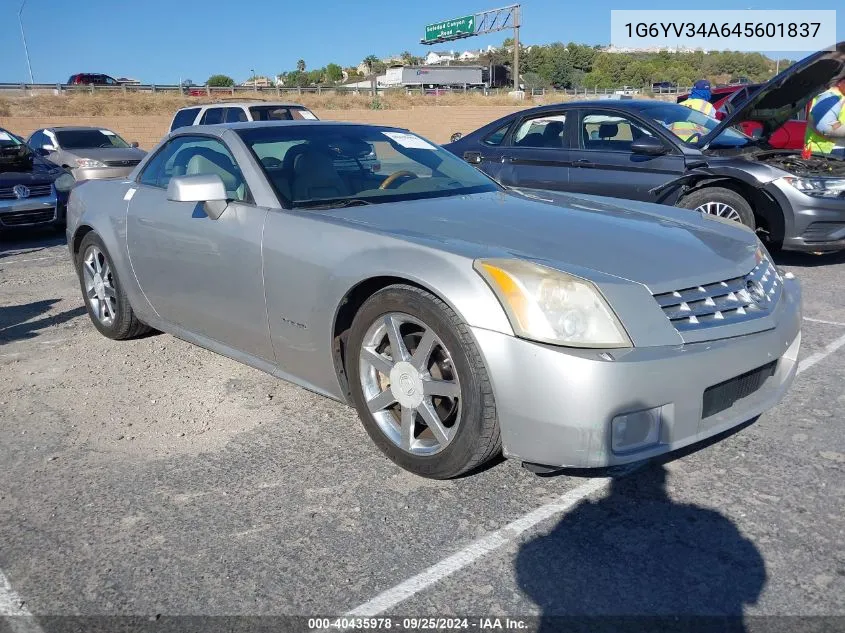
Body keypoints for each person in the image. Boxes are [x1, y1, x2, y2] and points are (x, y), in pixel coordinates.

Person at [805, 78, 845, 156]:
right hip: (826, 150)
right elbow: (828, 125)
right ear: (839, 83)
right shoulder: (832, 97)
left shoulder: (837, 96)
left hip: (832, 148)